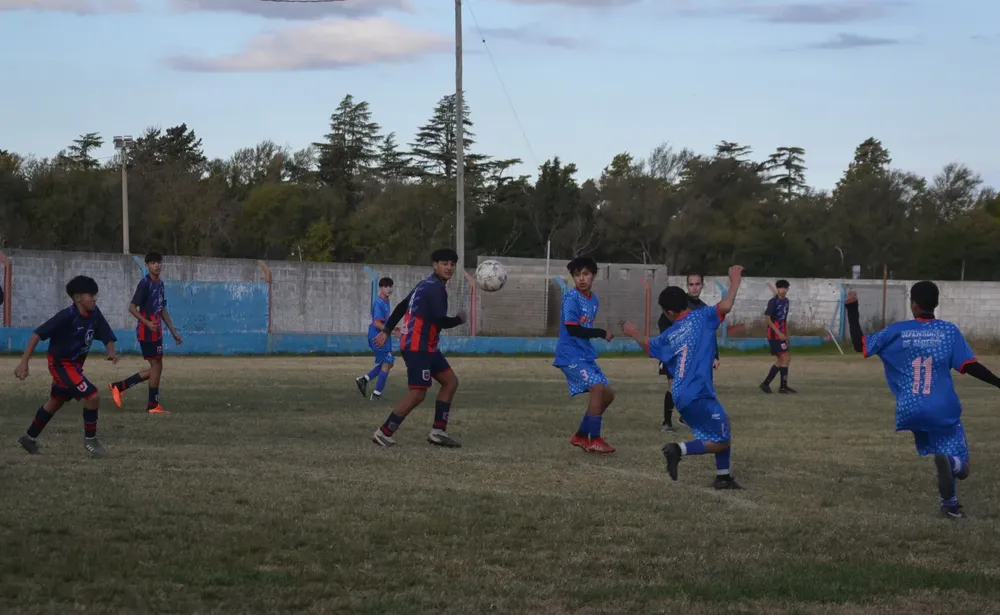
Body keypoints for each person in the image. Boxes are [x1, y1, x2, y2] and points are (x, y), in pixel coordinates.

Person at [844, 282, 1000, 519]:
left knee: (940, 452)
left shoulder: (897, 331)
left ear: (913, 304)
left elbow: (859, 344)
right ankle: (952, 468)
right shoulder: (948, 331)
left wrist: (852, 309)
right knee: (961, 467)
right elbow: (970, 366)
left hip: (911, 409)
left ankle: (950, 505)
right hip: (942, 408)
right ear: (935, 303)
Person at [623, 265, 745, 489]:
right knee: (721, 440)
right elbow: (726, 305)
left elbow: (649, 347)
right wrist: (735, 280)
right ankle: (678, 450)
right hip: (697, 392)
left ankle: (723, 477)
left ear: (668, 312)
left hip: (681, 393)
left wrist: (634, 333)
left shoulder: (670, 334)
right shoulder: (703, 316)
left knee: (723, 424)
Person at [370, 249, 466, 448]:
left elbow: (401, 307)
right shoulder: (435, 288)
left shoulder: (424, 285)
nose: (449, 268)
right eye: (444, 263)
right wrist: (459, 319)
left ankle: (438, 432)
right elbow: (439, 320)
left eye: (452, 264)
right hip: (418, 347)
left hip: (427, 347)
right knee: (418, 393)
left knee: (450, 382)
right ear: (435, 265)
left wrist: (387, 331)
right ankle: (383, 432)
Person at [14, 275, 118, 457]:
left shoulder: (94, 314)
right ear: (77, 298)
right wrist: (24, 362)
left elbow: (105, 332)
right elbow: (37, 334)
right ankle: (91, 441)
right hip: (61, 365)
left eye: (95, 295)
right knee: (92, 396)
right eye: (90, 295)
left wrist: (111, 350)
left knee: (55, 402)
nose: (95, 298)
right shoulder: (66, 317)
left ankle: (28, 438)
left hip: (75, 366)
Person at [554, 256, 617, 454]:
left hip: (585, 355)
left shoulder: (594, 299)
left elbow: (584, 328)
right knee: (598, 389)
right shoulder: (570, 298)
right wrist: (601, 332)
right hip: (569, 355)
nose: (582, 278)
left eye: (586, 274)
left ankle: (581, 435)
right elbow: (573, 330)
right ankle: (595, 439)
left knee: (608, 394)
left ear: (594, 275)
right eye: (577, 274)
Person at [109, 252, 182, 413]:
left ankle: (120, 386)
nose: (157, 265)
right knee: (156, 366)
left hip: (157, 331)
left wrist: (174, 331)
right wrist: (147, 322)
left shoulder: (160, 284)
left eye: (159, 262)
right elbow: (132, 307)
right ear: (147, 266)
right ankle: (152, 405)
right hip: (146, 331)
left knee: (157, 367)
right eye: (153, 263)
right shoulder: (144, 284)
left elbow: (162, 309)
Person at [658, 273, 720, 432]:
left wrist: (715, 355)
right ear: (687, 286)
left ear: (702, 286)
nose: (694, 287)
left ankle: (686, 416)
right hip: (674, 353)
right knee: (672, 385)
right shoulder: (677, 301)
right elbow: (663, 322)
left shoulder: (704, 308)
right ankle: (666, 422)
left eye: (697, 284)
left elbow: (709, 334)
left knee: (696, 384)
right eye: (691, 284)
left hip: (695, 355)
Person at [356, 277, 396, 401]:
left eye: (390, 286)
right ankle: (377, 394)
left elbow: (385, 321)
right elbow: (377, 323)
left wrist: (395, 329)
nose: (388, 289)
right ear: (380, 288)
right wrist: (392, 331)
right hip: (378, 337)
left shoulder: (386, 301)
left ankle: (364, 380)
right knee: (387, 362)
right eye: (385, 286)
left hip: (384, 336)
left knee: (389, 363)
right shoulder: (378, 303)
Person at [760, 279, 795, 394]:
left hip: (782, 334)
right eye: (781, 288)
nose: (783, 290)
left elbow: (784, 320)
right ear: (777, 288)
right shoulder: (773, 301)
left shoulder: (786, 302)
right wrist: (779, 333)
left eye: (785, 288)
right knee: (785, 357)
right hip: (774, 335)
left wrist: (787, 335)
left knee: (782, 359)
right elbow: (768, 318)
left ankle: (766, 384)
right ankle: (782, 387)